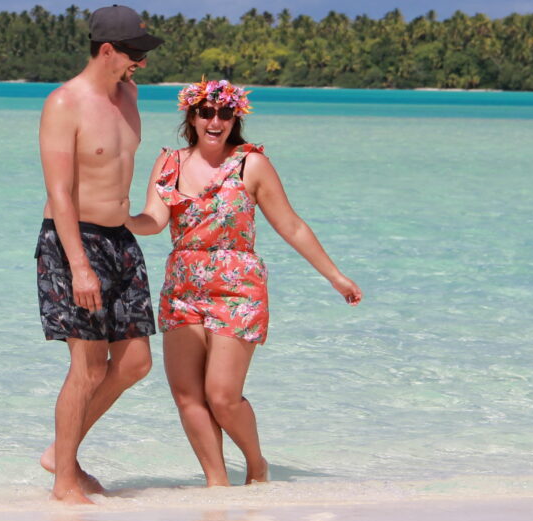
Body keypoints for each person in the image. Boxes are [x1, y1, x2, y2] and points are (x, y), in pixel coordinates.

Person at [128, 79, 362, 487]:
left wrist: (335, 276)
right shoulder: (169, 162)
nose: (214, 120)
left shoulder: (250, 164)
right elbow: (155, 220)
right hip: (182, 286)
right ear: (192, 116)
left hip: (238, 287)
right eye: (206, 112)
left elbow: (289, 224)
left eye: (224, 113)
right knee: (187, 395)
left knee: (222, 396)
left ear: (236, 117)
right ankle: (217, 485)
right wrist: (121, 219)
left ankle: (256, 465)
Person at [35, 4, 164, 504]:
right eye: (134, 53)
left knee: (134, 364)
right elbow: (61, 192)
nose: (141, 64)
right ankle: (65, 479)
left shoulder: (129, 95)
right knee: (87, 368)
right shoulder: (64, 103)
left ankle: (59, 452)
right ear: (106, 49)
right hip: (73, 242)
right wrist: (80, 267)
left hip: (121, 241)